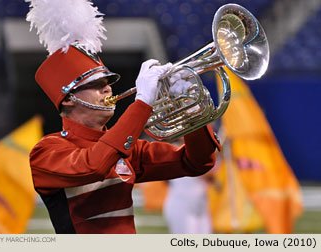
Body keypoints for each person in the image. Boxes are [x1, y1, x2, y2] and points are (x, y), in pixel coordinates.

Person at [27, 0, 221, 234]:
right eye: (97, 85)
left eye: (108, 83)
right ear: (69, 99)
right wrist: (141, 104)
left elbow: (197, 162)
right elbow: (94, 166)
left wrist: (191, 114)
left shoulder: (129, 150)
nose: (107, 90)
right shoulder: (47, 152)